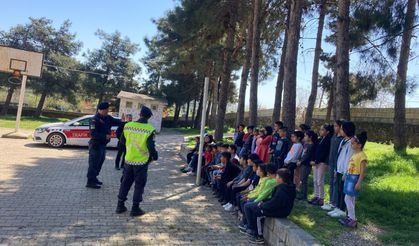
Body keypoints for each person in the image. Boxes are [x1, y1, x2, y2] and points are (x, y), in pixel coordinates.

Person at [116, 106, 158, 216]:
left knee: (125, 183)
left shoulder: (128, 126)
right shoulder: (149, 129)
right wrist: (155, 156)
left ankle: (120, 206)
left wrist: (130, 149)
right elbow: (151, 146)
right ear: (149, 117)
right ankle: (135, 208)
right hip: (141, 162)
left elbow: (121, 140)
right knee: (139, 185)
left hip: (128, 160)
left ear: (139, 114)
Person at [241, 168, 296, 244]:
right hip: (277, 207)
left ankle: (258, 236)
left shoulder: (283, 190)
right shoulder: (284, 186)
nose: (275, 177)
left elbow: (274, 204)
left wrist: (262, 205)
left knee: (256, 212)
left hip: (281, 211)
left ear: (281, 178)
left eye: (277, 176)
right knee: (248, 206)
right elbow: (273, 200)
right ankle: (250, 228)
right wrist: (263, 202)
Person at [86, 102, 121, 189]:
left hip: (102, 145)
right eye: (106, 110)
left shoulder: (108, 118)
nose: (107, 112)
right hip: (95, 145)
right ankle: (90, 182)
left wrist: (124, 121)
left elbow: (117, 122)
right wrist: (104, 136)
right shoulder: (94, 120)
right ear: (100, 110)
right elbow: (93, 134)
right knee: (93, 164)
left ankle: (94, 178)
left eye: (107, 110)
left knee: (100, 162)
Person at [328, 121, 356, 218]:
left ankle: (342, 209)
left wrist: (345, 172)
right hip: (339, 169)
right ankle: (338, 207)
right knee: (339, 189)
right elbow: (339, 156)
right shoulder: (343, 140)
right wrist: (336, 169)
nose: (340, 130)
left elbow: (349, 158)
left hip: (345, 171)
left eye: (342, 128)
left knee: (343, 190)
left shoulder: (351, 143)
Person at [340, 132, 368, 228]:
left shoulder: (362, 156)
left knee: (347, 198)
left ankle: (352, 219)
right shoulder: (354, 154)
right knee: (351, 199)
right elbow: (350, 166)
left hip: (354, 179)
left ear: (359, 145)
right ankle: (350, 217)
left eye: (353, 143)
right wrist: (345, 174)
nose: (351, 145)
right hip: (349, 177)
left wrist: (359, 183)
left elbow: (362, 172)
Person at [322, 120, 343, 211]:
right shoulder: (333, 136)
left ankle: (335, 203)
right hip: (331, 163)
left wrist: (337, 166)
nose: (334, 128)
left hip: (337, 165)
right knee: (331, 182)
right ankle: (331, 201)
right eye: (334, 126)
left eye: (336, 126)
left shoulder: (342, 139)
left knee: (335, 183)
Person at [309, 124, 333, 206]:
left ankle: (321, 198)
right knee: (315, 180)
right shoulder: (319, 140)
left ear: (327, 131)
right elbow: (315, 150)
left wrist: (316, 161)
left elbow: (324, 153)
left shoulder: (328, 140)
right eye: (320, 129)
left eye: (323, 130)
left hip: (322, 163)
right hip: (315, 162)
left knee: (320, 180)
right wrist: (312, 160)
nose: (320, 131)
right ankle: (316, 196)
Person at [297, 130, 317, 200]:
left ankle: (303, 195)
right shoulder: (306, 144)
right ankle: (301, 193)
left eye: (306, 136)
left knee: (303, 180)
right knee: (302, 179)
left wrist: (301, 162)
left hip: (306, 165)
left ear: (310, 137)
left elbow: (307, 156)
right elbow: (303, 154)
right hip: (303, 164)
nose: (304, 137)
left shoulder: (311, 146)